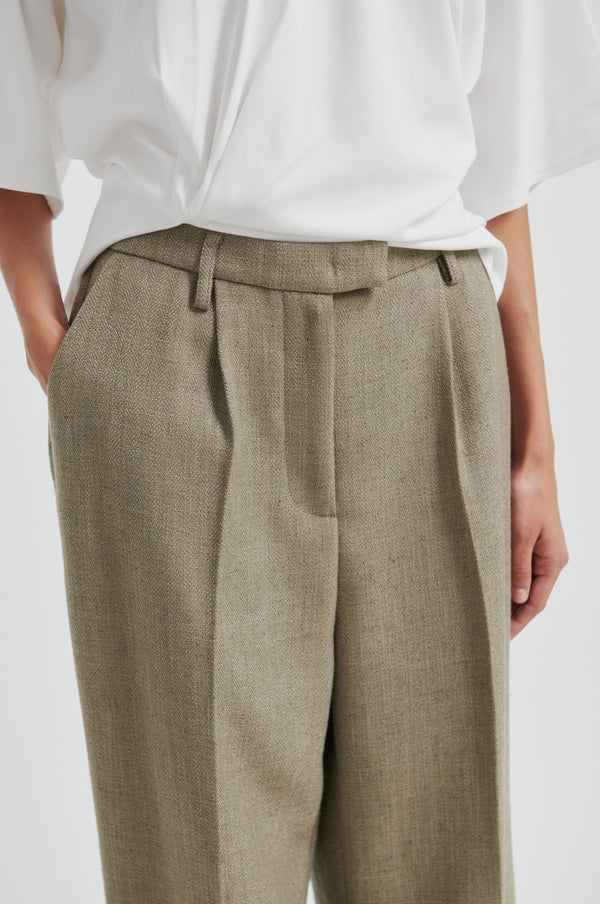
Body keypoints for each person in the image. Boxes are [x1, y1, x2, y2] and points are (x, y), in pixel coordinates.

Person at [1, 1, 599, 902]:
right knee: (195, 873)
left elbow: (496, 147)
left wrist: (535, 445)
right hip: (171, 336)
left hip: (427, 331)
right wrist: (49, 336)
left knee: (444, 862)